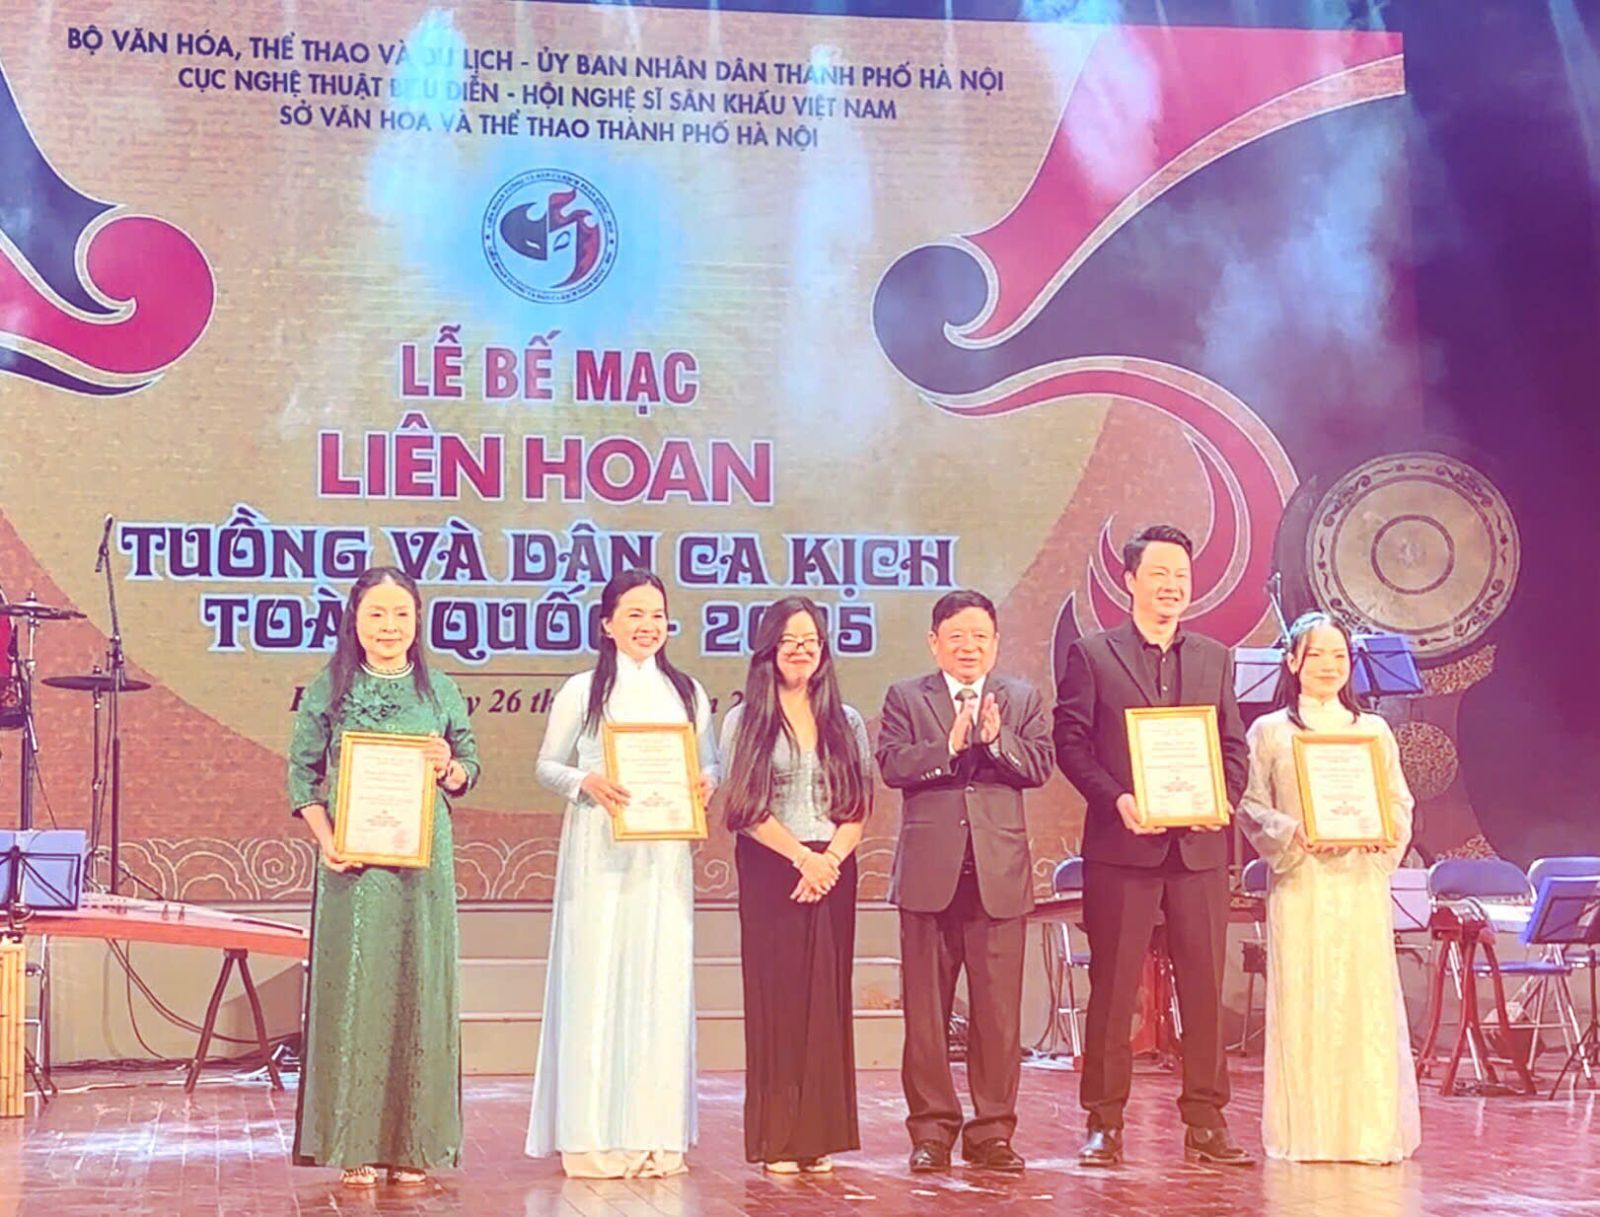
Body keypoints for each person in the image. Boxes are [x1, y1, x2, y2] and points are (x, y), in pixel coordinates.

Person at [1052, 524, 1252, 1167]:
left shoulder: (1214, 657)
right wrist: (1117, 799)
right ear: (1130, 580)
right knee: (1114, 990)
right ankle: (1104, 1122)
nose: (1172, 586)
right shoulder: (1093, 655)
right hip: (1122, 849)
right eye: (1159, 574)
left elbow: (1232, 746)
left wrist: (1223, 798)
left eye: (1181, 576)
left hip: (1198, 852)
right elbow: (1071, 744)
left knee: (1203, 989)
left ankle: (1207, 1122)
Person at [288, 566, 481, 1189]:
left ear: (418, 621)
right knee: (359, 993)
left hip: (424, 866)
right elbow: (301, 776)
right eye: (376, 614)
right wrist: (328, 843)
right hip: (355, 868)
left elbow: (469, 767)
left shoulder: (441, 689)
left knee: (419, 990)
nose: (389, 626)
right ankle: (355, 1142)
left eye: (401, 614)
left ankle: (414, 1143)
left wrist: (449, 765)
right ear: (355, 620)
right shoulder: (329, 688)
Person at [525, 569, 718, 1179]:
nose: (647, 625)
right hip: (600, 849)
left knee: (659, 982)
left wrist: (705, 782)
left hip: (663, 854)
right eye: (634, 614)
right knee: (597, 980)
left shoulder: (688, 692)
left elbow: (709, 763)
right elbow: (547, 766)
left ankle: (656, 1136)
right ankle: (590, 1139)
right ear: (607, 624)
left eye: (657, 614)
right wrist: (586, 781)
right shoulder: (582, 691)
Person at [876, 589, 1054, 1174]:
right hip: (929, 877)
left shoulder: (1021, 698)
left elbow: (1039, 767)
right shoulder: (906, 697)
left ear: (996, 643)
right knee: (926, 1016)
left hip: (998, 875)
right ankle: (931, 1132)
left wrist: (997, 741)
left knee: (998, 1016)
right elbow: (893, 765)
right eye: (956, 636)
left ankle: (992, 1133)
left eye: (980, 636)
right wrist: (949, 745)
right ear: (934, 643)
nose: (968, 647)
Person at [1237, 611, 1420, 1163]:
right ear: (1292, 661)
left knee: (1363, 1001)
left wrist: (1381, 836)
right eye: (1315, 654)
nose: (1328, 665)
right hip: (1303, 881)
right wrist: (1294, 833)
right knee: (1307, 997)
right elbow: (1249, 805)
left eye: (1338, 655)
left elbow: (1399, 803)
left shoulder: (1374, 731)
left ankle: (1368, 1133)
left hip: (1360, 882)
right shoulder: (1270, 731)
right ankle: (1309, 1134)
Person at [719, 595, 872, 1174]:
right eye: (789, 640)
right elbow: (744, 807)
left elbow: (858, 805)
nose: (802, 650)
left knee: (826, 1003)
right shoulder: (743, 720)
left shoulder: (846, 720)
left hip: (834, 868)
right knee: (778, 1002)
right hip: (772, 867)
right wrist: (802, 859)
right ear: (768, 650)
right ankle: (779, 1139)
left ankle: (819, 1137)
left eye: (811, 640)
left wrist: (828, 859)